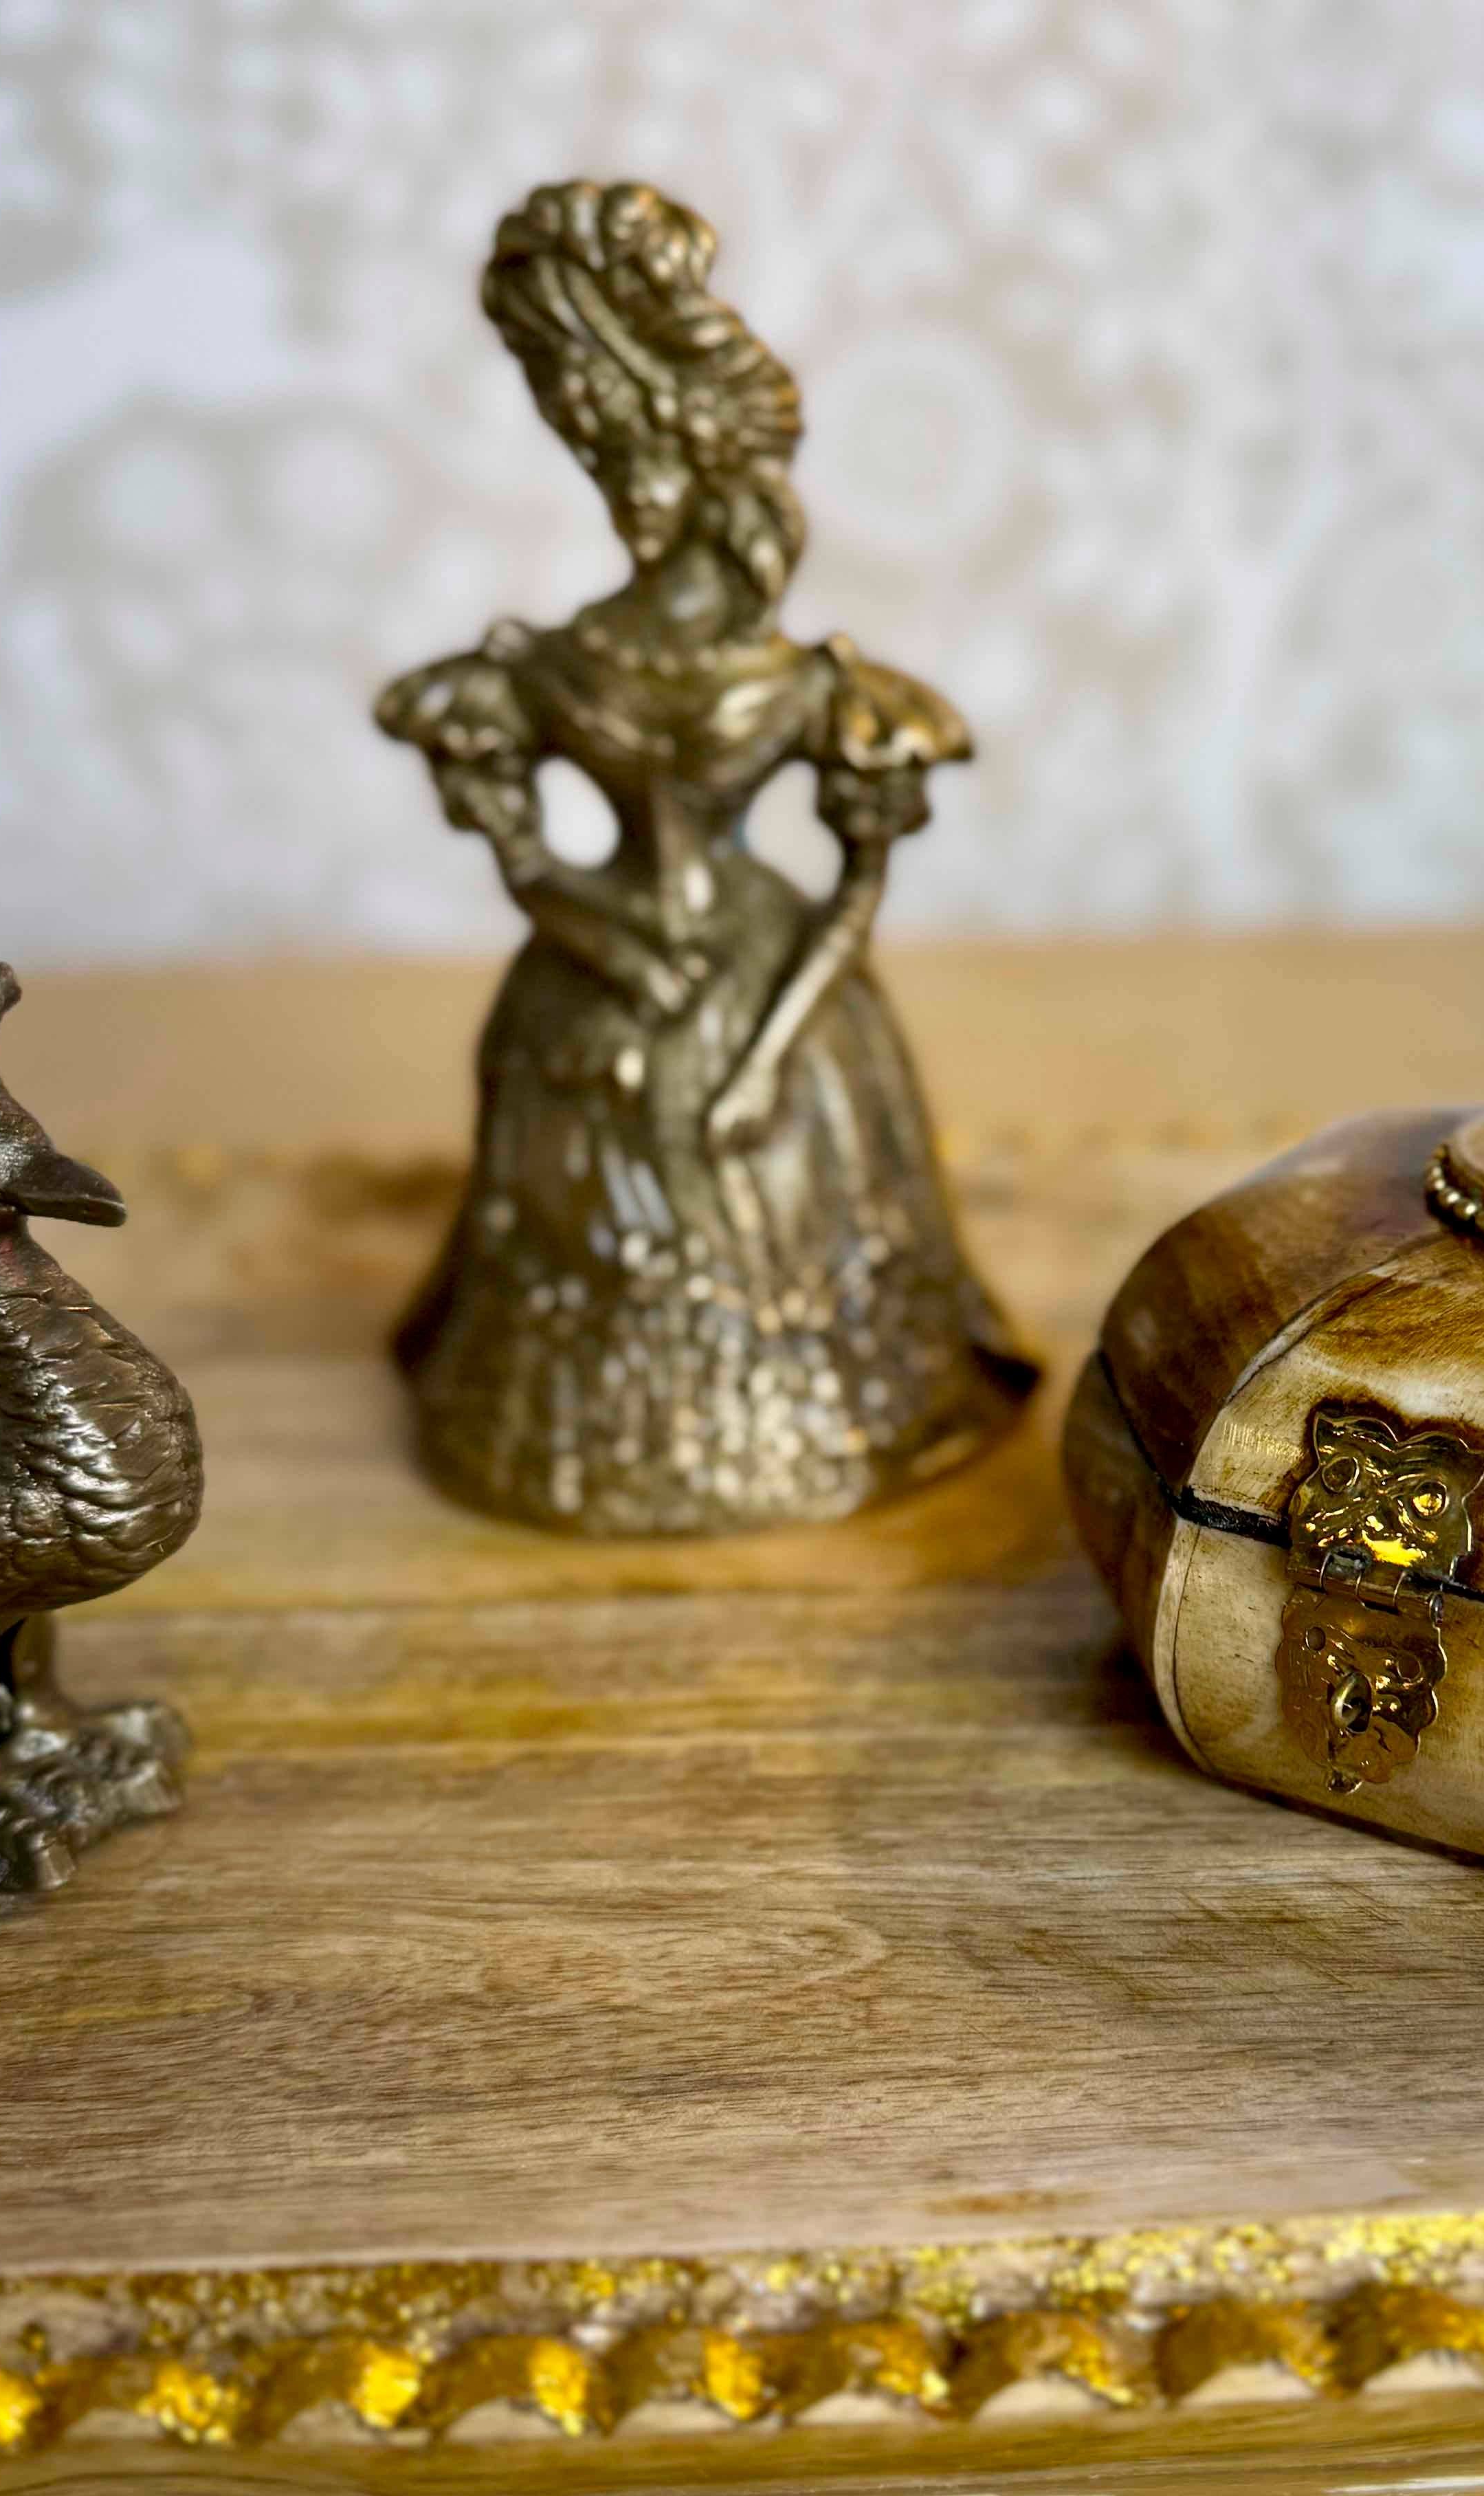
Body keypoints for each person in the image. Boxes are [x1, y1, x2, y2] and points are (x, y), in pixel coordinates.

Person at [377, 180, 1032, 1534]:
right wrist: (599, 937)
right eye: (610, 463)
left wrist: (754, 1058)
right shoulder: (555, 667)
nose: (632, 496)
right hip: (593, 991)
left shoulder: (809, 684)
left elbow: (856, 888)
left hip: (764, 993)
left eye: (649, 466)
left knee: (779, 1224)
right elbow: (519, 856)